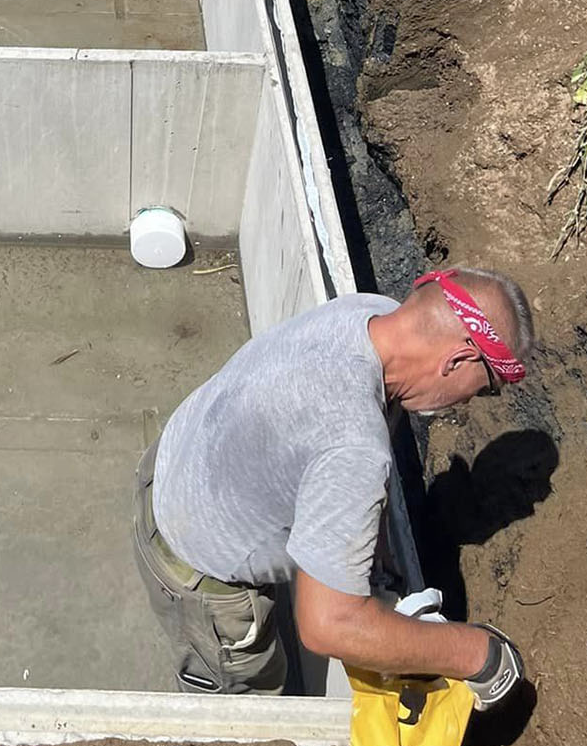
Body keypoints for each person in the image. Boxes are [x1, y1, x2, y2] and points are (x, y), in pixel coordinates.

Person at [135, 267, 534, 708]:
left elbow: (369, 421)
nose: (470, 402)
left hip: (174, 462)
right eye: (486, 389)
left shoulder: (371, 315)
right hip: (194, 562)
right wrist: (476, 654)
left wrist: (374, 547)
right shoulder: (353, 447)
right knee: (245, 717)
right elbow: (328, 625)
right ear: (457, 361)